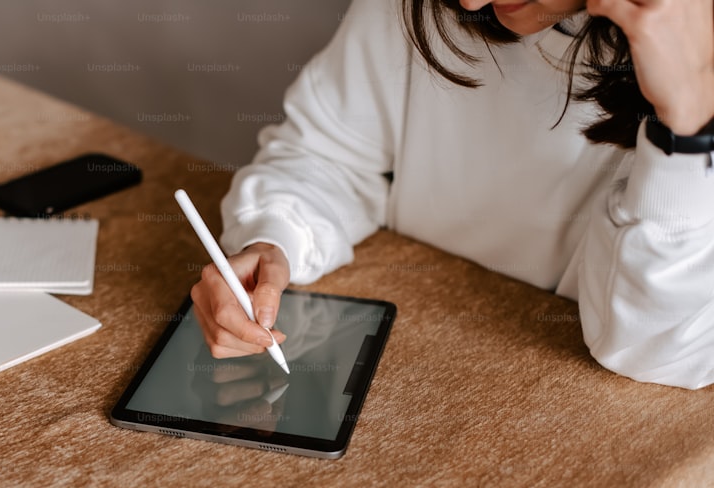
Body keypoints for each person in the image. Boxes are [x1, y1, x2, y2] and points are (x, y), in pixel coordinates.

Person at [189, 0, 714, 389]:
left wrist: (686, 129)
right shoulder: (419, 9)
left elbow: (661, 350)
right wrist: (273, 240)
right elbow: (328, 156)